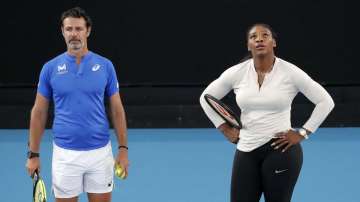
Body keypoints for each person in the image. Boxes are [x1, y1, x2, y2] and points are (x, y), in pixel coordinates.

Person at [199, 23, 334, 202]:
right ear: (248, 45)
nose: (259, 39)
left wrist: (303, 132)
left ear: (273, 43)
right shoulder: (236, 73)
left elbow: (326, 101)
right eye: (253, 37)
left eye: (265, 35)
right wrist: (224, 128)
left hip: (281, 150)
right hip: (246, 149)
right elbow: (205, 98)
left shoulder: (291, 72)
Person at [25, 7, 129, 202]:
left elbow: (117, 109)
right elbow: (39, 112)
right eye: (69, 29)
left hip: (100, 154)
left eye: (79, 29)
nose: (74, 34)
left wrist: (123, 149)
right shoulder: (50, 69)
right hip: (65, 156)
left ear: (87, 31)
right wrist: (33, 154)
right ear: (63, 32)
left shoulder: (106, 66)